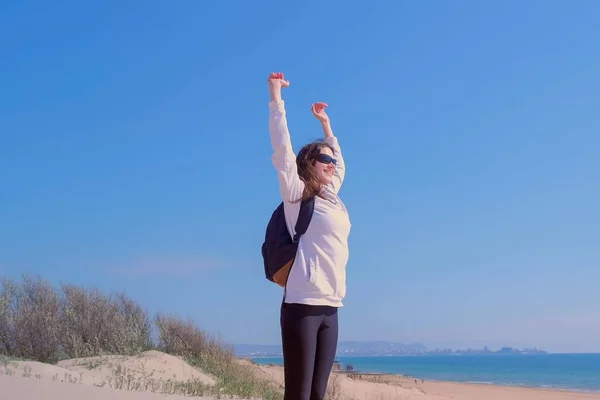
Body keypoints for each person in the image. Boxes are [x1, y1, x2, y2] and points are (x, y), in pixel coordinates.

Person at [267, 72, 352, 400]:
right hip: (302, 304)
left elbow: (342, 164)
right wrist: (277, 98)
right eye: (325, 159)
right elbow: (282, 148)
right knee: (299, 395)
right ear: (308, 164)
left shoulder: (334, 197)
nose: (332, 164)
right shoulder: (297, 193)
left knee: (318, 394)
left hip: (331, 305)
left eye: (332, 159)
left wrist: (326, 126)